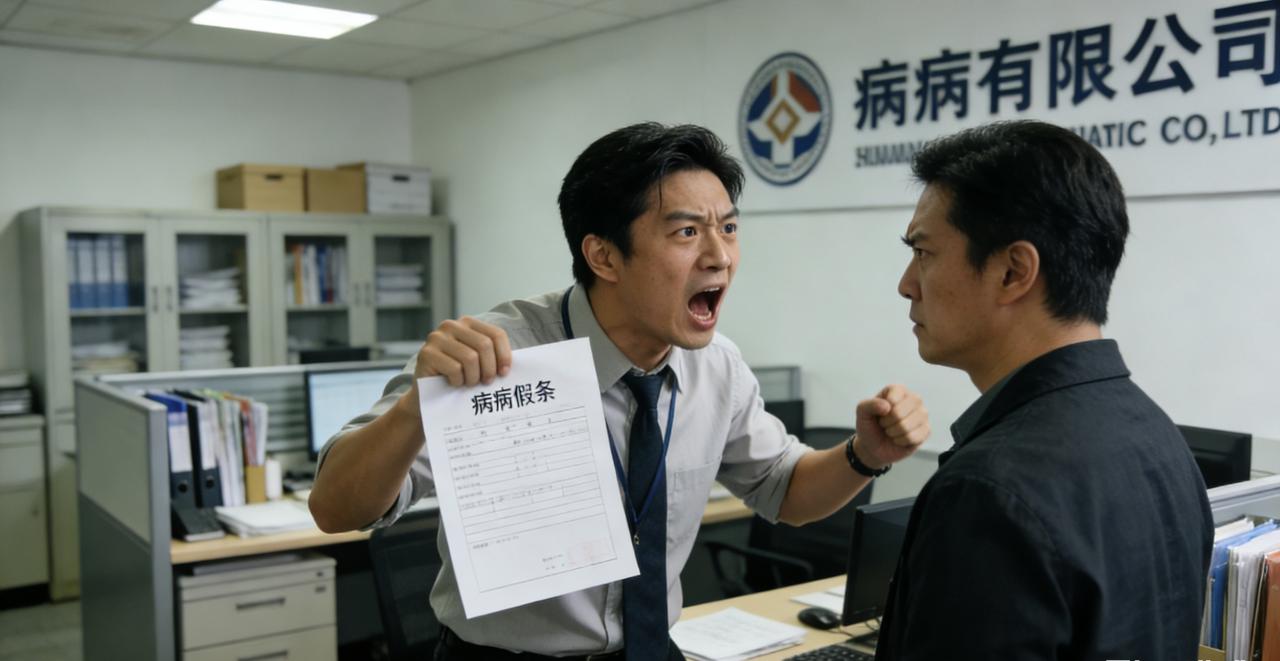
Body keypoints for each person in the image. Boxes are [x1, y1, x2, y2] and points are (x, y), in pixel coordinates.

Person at [308, 122, 931, 659]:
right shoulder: (499, 357)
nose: (720, 256)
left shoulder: (716, 366)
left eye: (728, 227)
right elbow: (336, 510)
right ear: (603, 256)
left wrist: (864, 455)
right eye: (687, 233)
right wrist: (418, 409)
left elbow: (784, 490)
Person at [875, 120, 1213, 660]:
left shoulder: (990, 491)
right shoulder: (1160, 438)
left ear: (1013, 272)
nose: (906, 284)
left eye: (924, 252)